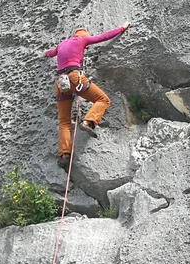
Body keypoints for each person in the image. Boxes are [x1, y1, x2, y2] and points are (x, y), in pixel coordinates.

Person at [44, 22, 130, 167]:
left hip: (60, 82)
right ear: (83, 34)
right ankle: (88, 122)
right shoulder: (82, 39)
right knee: (103, 99)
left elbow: (50, 53)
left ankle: (65, 155)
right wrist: (122, 28)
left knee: (64, 120)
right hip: (74, 77)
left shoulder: (62, 44)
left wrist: (44, 53)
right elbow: (103, 37)